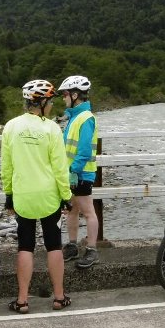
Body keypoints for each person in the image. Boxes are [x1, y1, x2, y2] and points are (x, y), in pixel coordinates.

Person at [1, 79, 72, 313]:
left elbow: (7, 166)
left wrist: (9, 194)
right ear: (40, 102)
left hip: (23, 196)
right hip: (48, 195)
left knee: (25, 246)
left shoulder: (10, 127)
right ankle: (59, 297)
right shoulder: (52, 128)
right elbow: (60, 168)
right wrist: (66, 196)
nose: (51, 105)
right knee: (54, 246)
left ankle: (22, 300)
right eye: (49, 101)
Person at [58, 74, 100, 269]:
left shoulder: (86, 118)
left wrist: (73, 171)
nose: (63, 98)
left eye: (65, 94)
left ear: (75, 95)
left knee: (88, 212)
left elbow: (83, 150)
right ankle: (73, 246)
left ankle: (92, 249)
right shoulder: (74, 117)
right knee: (71, 211)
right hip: (71, 173)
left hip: (81, 174)